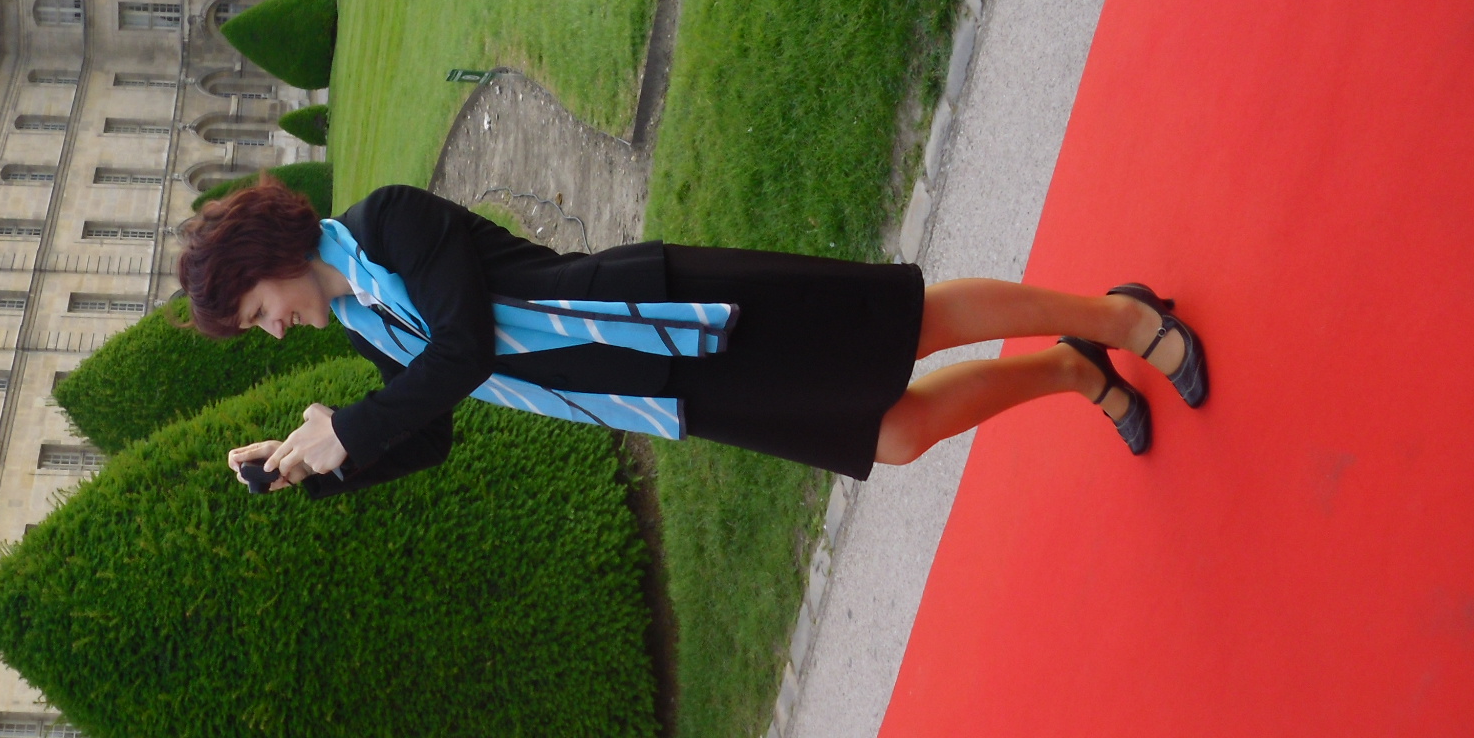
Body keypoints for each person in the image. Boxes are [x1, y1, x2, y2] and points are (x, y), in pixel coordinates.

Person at [174, 179, 1209, 494]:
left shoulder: (390, 225)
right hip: (665, 397)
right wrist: (321, 465)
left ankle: (1119, 317)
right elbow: (435, 427)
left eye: (260, 311)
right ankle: (1069, 372)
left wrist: (350, 425)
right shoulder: (369, 332)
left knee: (914, 326)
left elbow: (468, 349)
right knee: (894, 436)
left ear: (271, 254)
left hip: (674, 317)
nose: (277, 330)